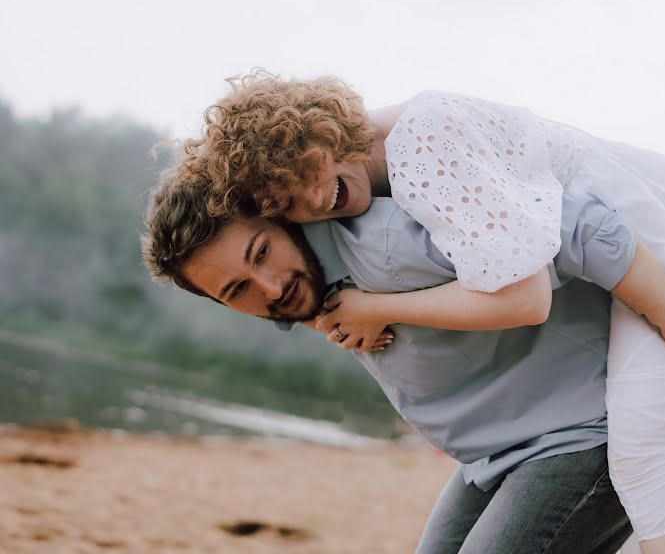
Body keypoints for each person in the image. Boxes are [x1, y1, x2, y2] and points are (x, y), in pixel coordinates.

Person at [185, 74, 665, 552]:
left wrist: (375, 306)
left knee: (653, 460)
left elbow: (528, 296)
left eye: (305, 175)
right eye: (288, 202)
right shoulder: (355, 199)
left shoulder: (425, 145)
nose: (312, 199)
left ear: (319, 129)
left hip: (655, 225)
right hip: (600, 268)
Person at [142, 167, 639, 553]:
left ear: (278, 217)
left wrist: (383, 306)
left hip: (583, 434)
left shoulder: (387, 242)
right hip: (494, 451)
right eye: (237, 290)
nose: (270, 286)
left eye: (261, 253)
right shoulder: (311, 283)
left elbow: (554, 242)